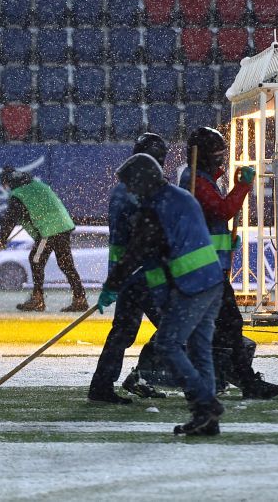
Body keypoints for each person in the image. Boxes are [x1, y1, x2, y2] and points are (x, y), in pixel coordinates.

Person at [106, 153, 226, 435]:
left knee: (168, 345)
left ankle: (206, 403)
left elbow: (137, 250)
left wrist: (112, 285)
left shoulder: (155, 208)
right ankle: (206, 420)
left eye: (131, 186)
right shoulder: (180, 197)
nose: (130, 192)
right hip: (212, 282)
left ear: (143, 181)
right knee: (199, 351)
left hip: (191, 286)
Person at [179, 126, 278, 400]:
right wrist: (243, 186)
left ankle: (221, 379)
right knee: (228, 323)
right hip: (204, 272)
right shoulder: (196, 182)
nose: (221, 159)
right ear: (205, 156)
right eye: (218, 154)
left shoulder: (198, 178)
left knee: (210, 327)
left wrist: (227, 242)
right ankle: (243, 381)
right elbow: (223, 210)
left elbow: (209, 223)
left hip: (205, 268)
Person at [87, 133, 168, 405]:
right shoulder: (135, 191)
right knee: (174, 326)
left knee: (123, 332)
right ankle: (155, 377)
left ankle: (102, 385)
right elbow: (147, 235)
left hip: (130, 273)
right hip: (140, 273)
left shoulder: (127, 187)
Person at [0, 167, 88, 312]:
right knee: (66, 264)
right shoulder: (38, 185)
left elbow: (10, 220)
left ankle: (37, 299)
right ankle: (80, 298)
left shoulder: (18, 194)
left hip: (50, 230)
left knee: (35, 260)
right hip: (64, 224)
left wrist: (1, 240)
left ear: (7, 183)